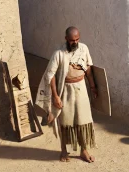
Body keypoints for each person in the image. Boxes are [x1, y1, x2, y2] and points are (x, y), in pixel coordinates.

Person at [34, 26, 98, 163]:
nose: (75, 42)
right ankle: (63, 150)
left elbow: (88, 69)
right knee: (65, 121)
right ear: (66, 39)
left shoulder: (84, 49)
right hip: (66, 90)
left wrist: (92, 86)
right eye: (72, 40)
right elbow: (50, 75)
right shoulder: (59, 53)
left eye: (77, 39)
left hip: (81, 88)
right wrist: (56, 96)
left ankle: (84, 150)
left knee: (83, 120)